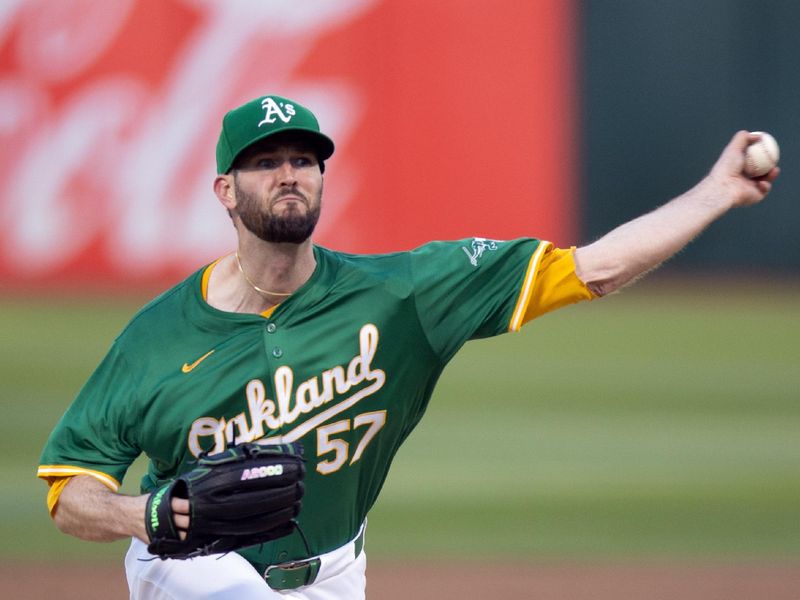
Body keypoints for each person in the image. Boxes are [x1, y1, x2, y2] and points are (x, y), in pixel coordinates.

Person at [37, 94, 778, 599]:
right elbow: (71, 490)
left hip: (334, 575)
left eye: (303, 159)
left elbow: (595, 268)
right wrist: (153, 516)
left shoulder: (404, 294)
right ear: (226, 191)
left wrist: (717, 190)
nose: (288, 174)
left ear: (324, 177)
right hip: (197, 571)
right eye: (265, 162)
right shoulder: (157, 336)